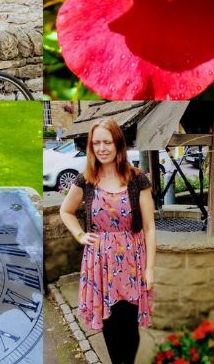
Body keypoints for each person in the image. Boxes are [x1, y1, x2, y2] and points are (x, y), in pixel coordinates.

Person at [59, 119, 155, 364]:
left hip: (132, 261)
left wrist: (150, 269)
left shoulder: (137, 179)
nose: (101, 148)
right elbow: (66, 211)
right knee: (109, 321)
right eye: (96, 143)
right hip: (100, 262)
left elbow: (149, 227)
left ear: (118, 144)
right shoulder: (86, 180)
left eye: (107, 142)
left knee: (129, 321)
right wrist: (80, 235)